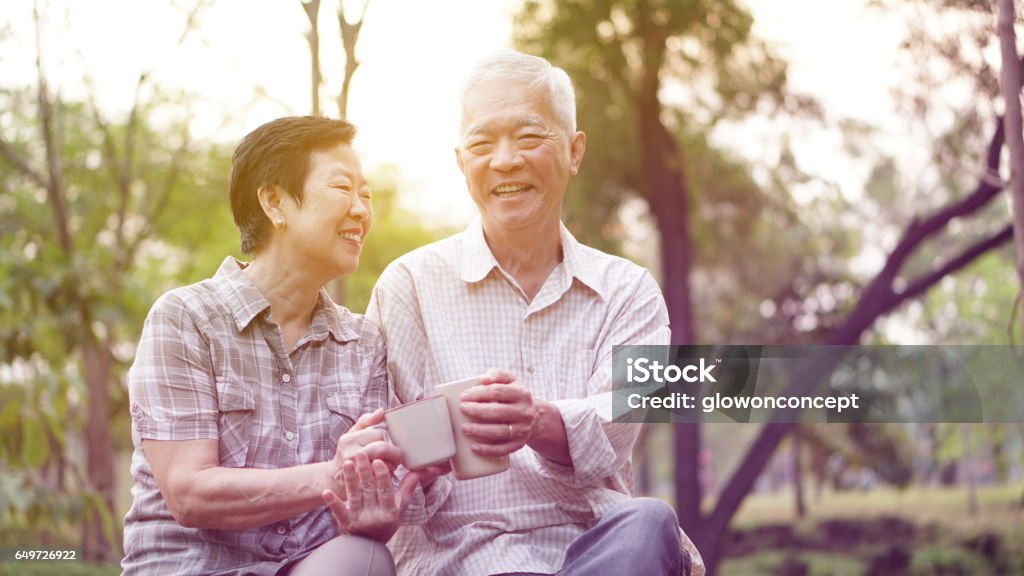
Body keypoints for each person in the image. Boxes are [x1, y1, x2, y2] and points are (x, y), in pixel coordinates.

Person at [367, 51, 702, 575]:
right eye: (482, 143)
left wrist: (536, 421)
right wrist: (419, 460)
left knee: (651, 521)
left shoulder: (627, 290)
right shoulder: (408, 286)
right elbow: (388, 473)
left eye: (529, 137)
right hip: (463, 557)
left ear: (573, 151)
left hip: (599, 550)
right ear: (461, 164)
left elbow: (616, 431)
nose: (505, 160)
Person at [122, 116, 440, 576]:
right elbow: (188, 493)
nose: (361, 210)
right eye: (343, 189)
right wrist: (331, 475)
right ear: (275, 202)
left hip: (311, 568)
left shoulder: (364, 343)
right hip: (191, 568)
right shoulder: (185, 318)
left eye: (366, 195)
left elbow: (356, 518)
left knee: (365, 557)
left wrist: (375, 514)